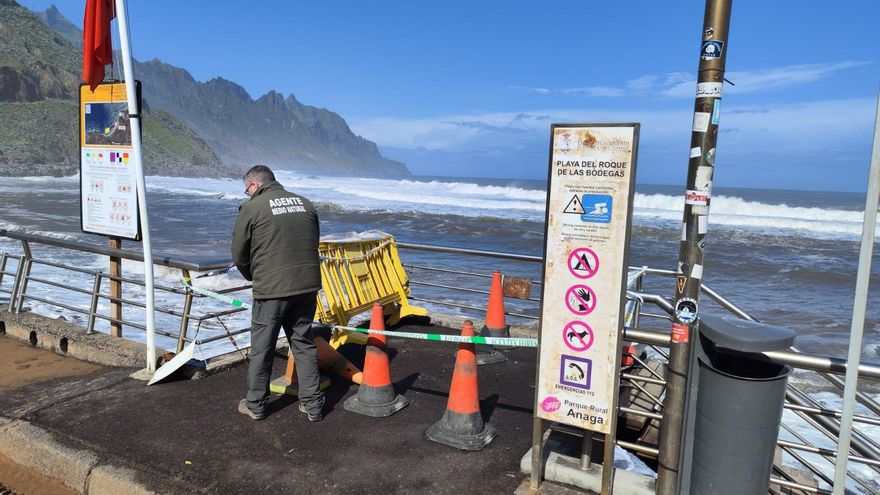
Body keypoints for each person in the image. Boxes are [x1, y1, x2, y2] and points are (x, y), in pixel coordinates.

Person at [232, 165, 325, 421]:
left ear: (254, 185)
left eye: (246, 190)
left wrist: (253, 275)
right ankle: (313, 405)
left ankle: (256, 405)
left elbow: (239, 253)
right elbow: (312, 242)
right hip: (306, 286)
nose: (247, 194)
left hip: (271, 289)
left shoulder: (252, 208)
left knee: (263, 348)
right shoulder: (305, 204)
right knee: (303, 344)